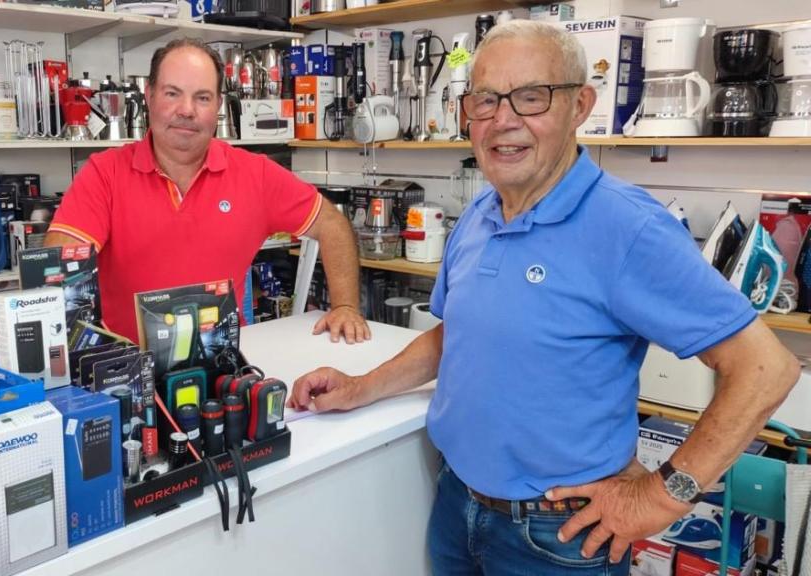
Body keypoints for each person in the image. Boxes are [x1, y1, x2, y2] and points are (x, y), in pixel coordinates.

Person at [287, 20, 799, 576]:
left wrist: (661, 495)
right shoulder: (479, 214)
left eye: (531, 97)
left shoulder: (627, 227)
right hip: (456, 505)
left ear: (580, 106)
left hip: (559, 537)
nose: (503, 120)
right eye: (486, 99)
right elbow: (455, 336)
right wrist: (360, 387)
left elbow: (765, 369)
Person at [44, 38, 369, 345]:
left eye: (202, 98)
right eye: (172, 93)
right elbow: (58, 268)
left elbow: (332, 225)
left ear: (218, 106)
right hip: (130, 368)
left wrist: (345, 307)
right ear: (150, 96)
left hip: (224, 362)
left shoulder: (255, 174)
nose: (187, 110)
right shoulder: (105, 174)